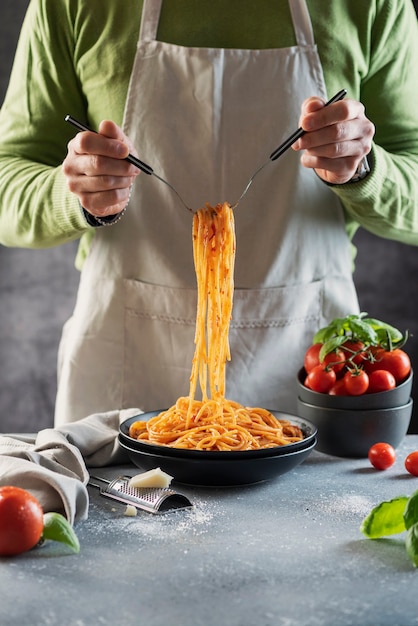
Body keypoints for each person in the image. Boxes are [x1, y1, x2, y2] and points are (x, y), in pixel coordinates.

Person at [0, 0, 417, 426]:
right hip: (125, 362)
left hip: (308, 362)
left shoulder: (371, 6)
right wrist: (76, 192)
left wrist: (364, 168)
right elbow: (6, 183)